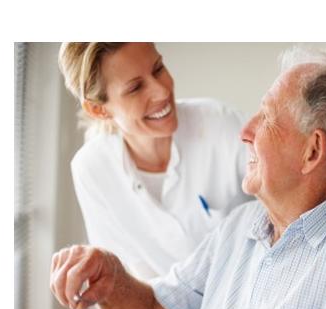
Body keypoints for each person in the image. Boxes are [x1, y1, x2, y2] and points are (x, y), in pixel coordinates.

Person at [50, 48, 326, 309]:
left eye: (267, 117)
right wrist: (111, 278)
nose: (245, 132)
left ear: (312, 151)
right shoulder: (239, 228)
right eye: (134, 86)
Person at [58, 42, 252, 282]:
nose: (162, 91)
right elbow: (124, 280)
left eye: (158, 68)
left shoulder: (219, 123)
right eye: (136, 88)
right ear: (98, 110)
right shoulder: (92, 169)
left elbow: (289, 198)